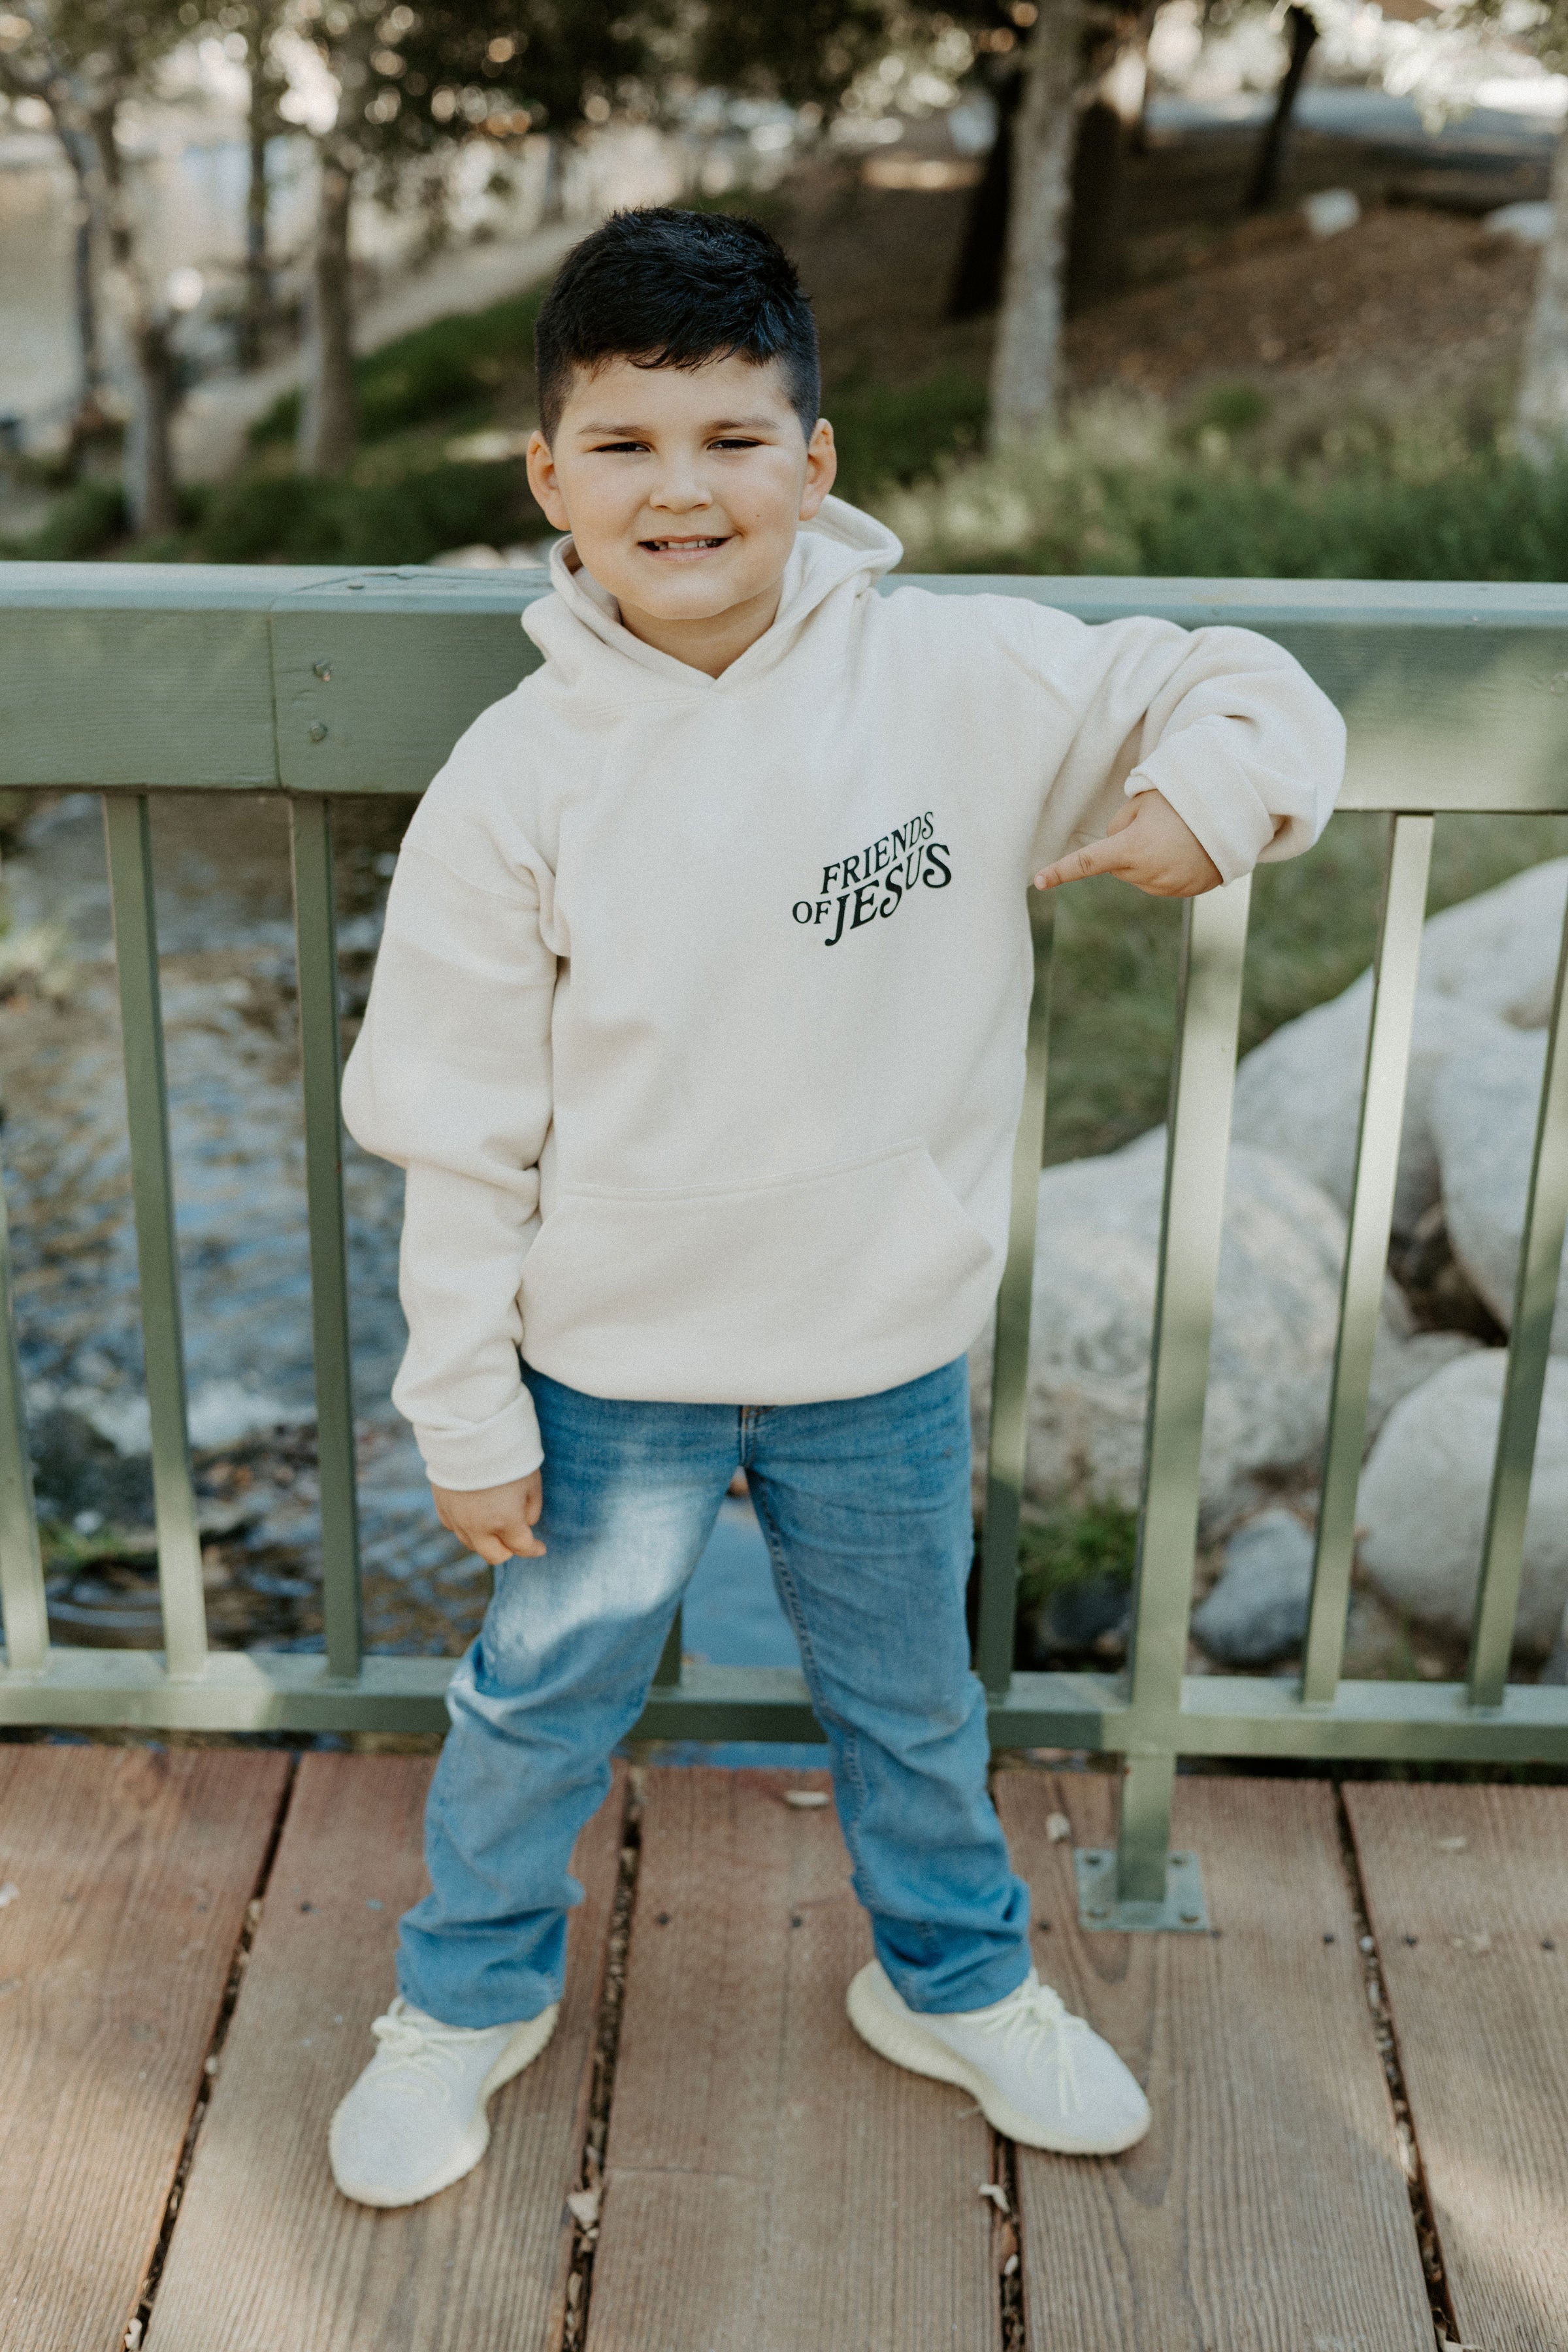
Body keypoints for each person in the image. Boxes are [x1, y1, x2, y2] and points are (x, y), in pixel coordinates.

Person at [329, 206, 1345, 2209]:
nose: (679, 489)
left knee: (912, 1699)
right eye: (622, 445)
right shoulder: (516, 775)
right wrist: (461, 1398)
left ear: (817, 460)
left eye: (730, 438)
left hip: (877, 1345)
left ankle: (955, 1983)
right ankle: (463, 2000)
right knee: (540, 1697)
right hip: (604, 1359)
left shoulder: (960, 675)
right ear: (549, 478)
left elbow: (1232, 677)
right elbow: (457, 1128)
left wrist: (1220, 794)